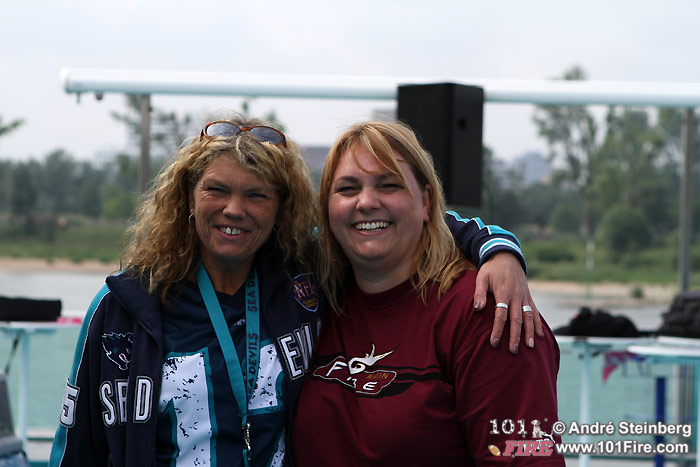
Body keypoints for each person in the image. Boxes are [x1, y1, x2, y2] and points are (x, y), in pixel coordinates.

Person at [49, 116, 538, 467]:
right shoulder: (122, 308)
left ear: (281, 209)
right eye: (216, 190)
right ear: (187, 200)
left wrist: (497, 247)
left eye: (256, 194)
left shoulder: (303, 283)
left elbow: (391, 221)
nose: (234, 209)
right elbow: (76, 449)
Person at [291, 121, 563, 466]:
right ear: (327, 208)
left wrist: (500, 249)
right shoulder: (316, 299)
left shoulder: (487, 311)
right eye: (347, 188)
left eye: (389, 185)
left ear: (426, 201)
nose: (366, 202)